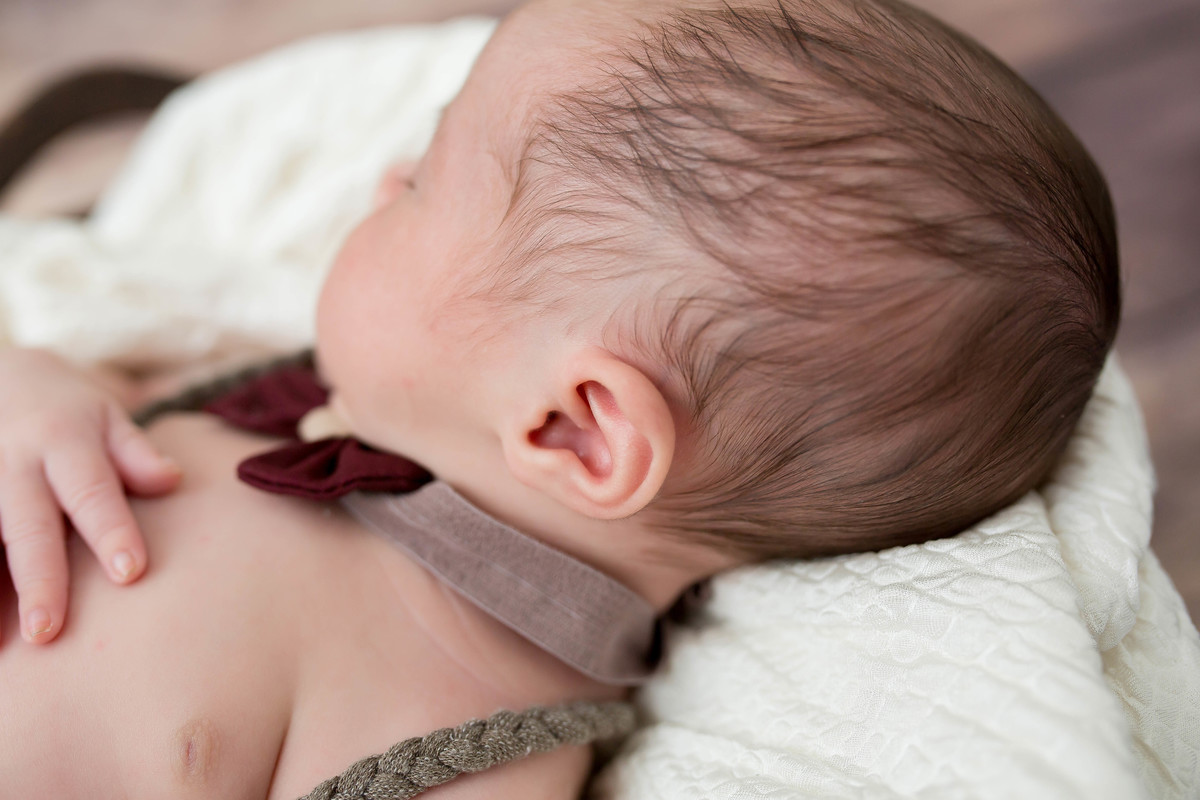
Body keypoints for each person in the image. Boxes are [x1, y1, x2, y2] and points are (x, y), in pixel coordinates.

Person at [0, 0, 1118, 796]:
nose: (380, 179)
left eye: (423, 182)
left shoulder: (472, 751)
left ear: (575, 430)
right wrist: (33, 393)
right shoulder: (296, 390)